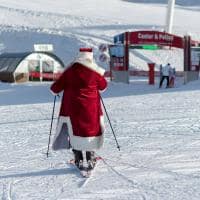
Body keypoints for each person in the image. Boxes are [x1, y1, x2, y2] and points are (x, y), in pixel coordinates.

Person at [50, 47, 107, 170]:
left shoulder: (70, 71)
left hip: (73, 108)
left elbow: (55, 89)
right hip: (91, 108)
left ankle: (79, 158)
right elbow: (103, 86)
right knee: (90, 131)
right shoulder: (95, 71)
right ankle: (90, 156)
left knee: (75, 130)